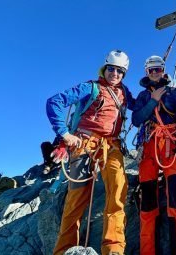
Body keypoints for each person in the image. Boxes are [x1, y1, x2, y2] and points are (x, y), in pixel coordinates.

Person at [46, 50, 135, 255]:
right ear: (104, 69)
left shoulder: (125, 93)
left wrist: (158, 92)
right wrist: (65, 134)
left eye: (120, 71)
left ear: (124, 74)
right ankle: (64, 250)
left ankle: (113, 248)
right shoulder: (90, 87)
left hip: (112, 147)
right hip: (84, 144)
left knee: (118, 192)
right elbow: (54, 102)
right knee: (75, 200)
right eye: (111, 69)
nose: (115, 73)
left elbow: (139, 107)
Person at [132, 55, 176, 255]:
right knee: (148, 202)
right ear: (147, 73)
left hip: (172, 145)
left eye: (158, 69)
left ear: (163, 71)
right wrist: (153, 100)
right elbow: (137, 119)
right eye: (151, 70)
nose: (155, 73)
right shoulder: (142, 96)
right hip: (149, 147)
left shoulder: (175, 93)